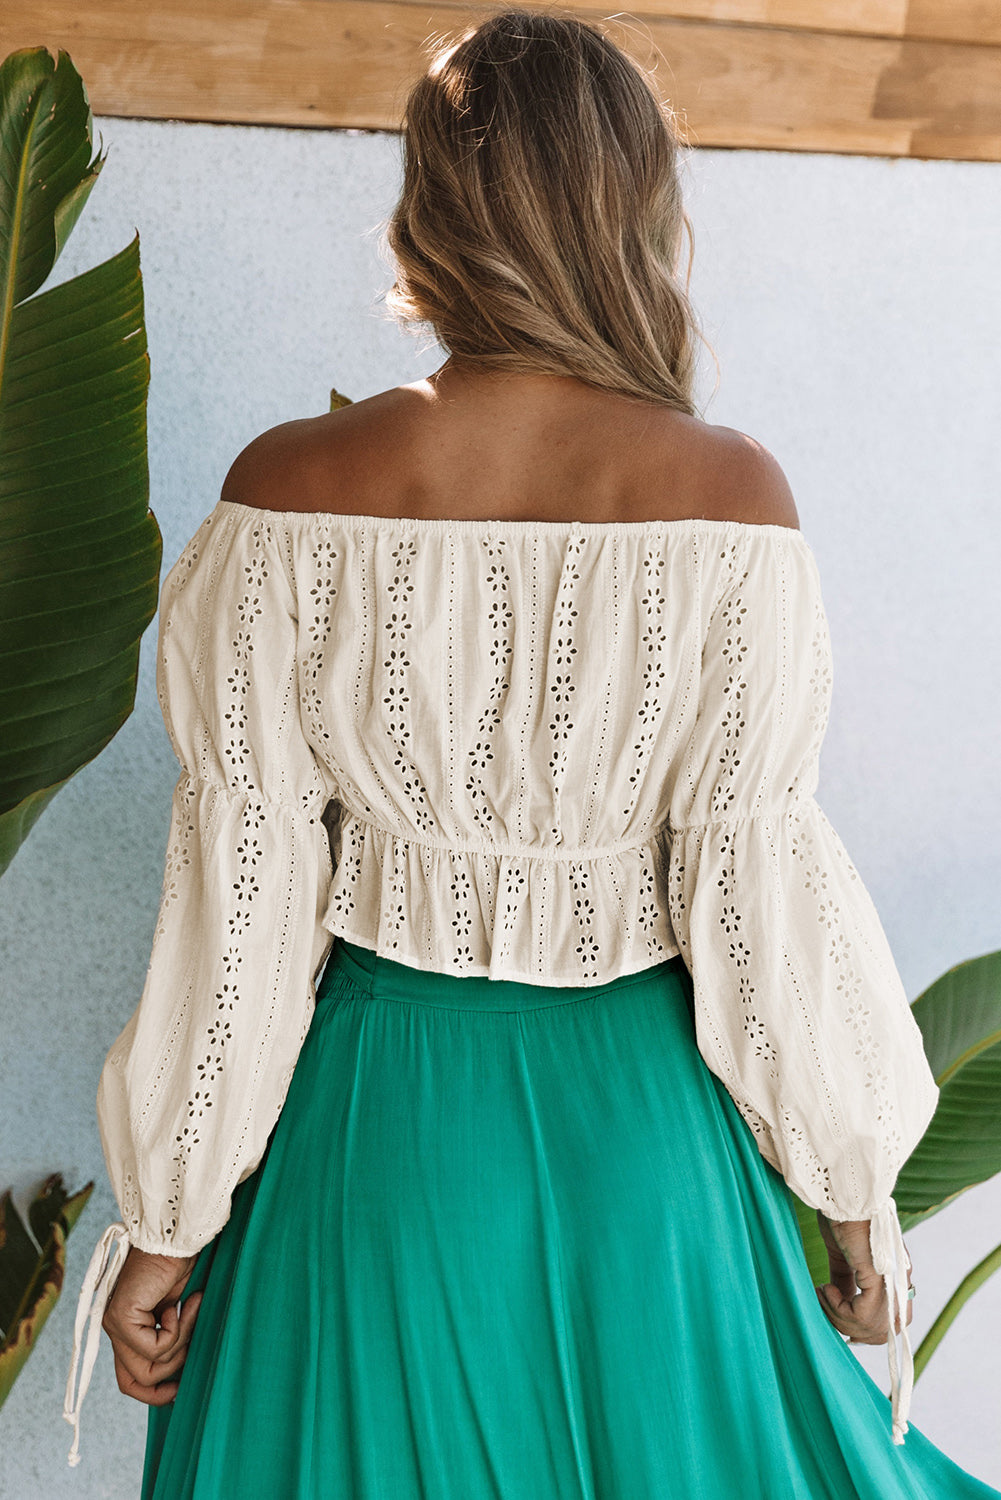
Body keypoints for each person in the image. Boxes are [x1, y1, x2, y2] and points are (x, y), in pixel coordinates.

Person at [62, 10, 999, 1497]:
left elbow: (241, 898)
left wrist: (166, 1224)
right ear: (637, 211)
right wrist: (849, 1205)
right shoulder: (729, 500)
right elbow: (756, 888)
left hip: (378, 1139)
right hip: (647, 1145)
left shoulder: (289, 488)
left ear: (427, 214)